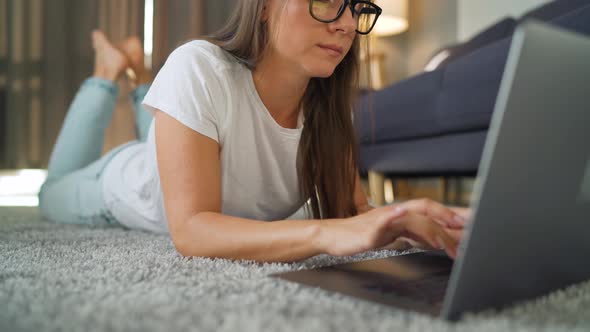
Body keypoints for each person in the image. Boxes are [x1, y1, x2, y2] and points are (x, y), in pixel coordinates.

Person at [39, 0, 471, 263]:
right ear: (263, 5)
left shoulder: (330, 107)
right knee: (51, 191)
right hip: (120, 183)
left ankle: (136, 77)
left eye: (358, 7)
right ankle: (108, 70)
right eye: (325, 0)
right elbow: (191, 230)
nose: (345, 24)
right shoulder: (198, 66)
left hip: (174, 140)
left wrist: (406, 219)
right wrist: (322, 234)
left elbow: (351, 213)